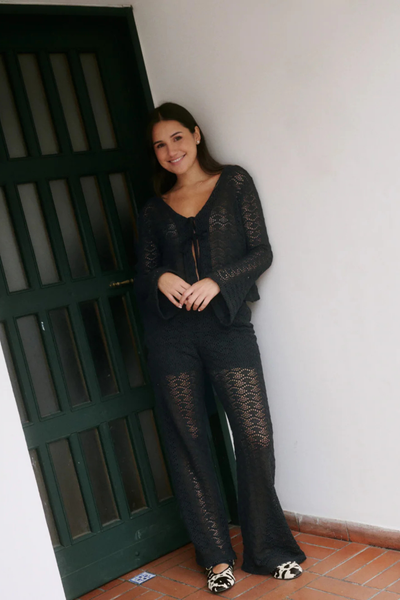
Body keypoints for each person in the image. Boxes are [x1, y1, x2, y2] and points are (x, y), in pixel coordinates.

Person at [134, 102, 306, 594]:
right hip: (171, 336)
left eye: (176, 138)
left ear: (196, 134)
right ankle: (215, 559)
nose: (170, 151)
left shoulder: (233, 183)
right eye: (160, 145)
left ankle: (268, 550)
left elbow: (261, 251)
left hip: (227, 326)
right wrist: (160, 277)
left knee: (254, 436)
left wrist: (217, 280)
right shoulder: (153, 209)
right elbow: (142, 272)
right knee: (188, 443)